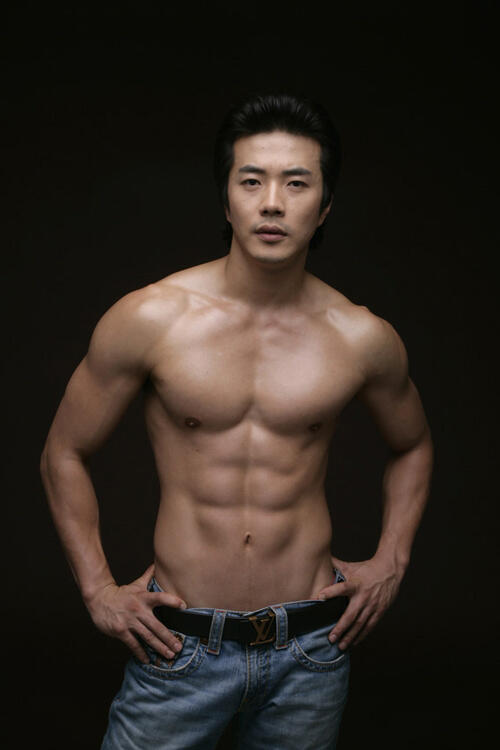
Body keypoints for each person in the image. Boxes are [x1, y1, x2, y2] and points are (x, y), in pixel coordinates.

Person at [40, 92, 434, 750]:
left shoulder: (361, 337)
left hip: (312, 647)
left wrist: (392, 560)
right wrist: (98, 589)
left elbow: (413, 444)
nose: (272, 202)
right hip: (180, 644)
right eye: (252, 181)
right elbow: (63, 451)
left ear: (325, 206)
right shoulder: (152, 318)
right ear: (226, 201)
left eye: (296, 183)